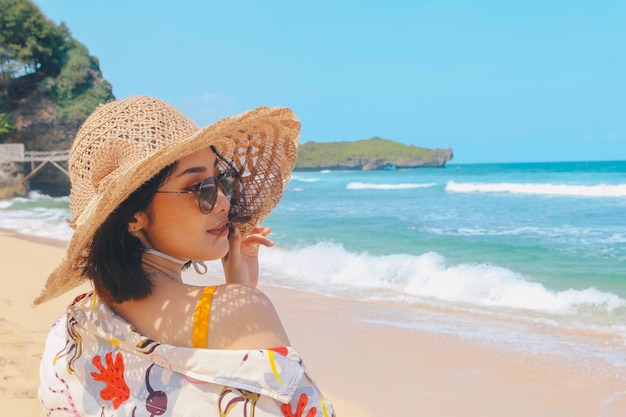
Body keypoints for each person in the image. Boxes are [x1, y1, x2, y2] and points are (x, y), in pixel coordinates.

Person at [36, 96, 336, 417]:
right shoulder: (233, 314)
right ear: (133, 216)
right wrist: (242, 299)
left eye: (223, 180)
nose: (222, 201)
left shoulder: (73, 324)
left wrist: (239, 287)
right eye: (198, 188)